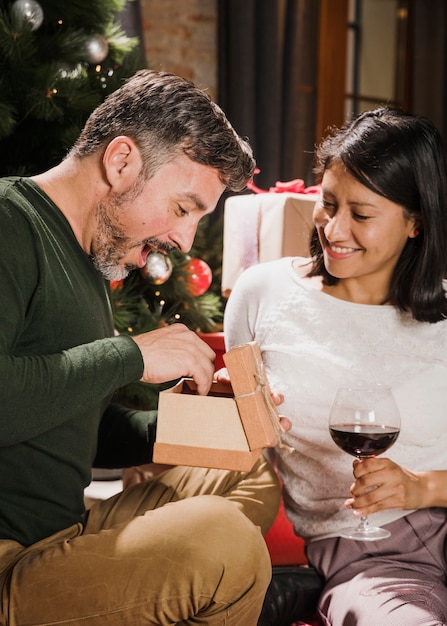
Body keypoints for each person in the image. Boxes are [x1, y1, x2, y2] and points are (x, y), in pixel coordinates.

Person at [0, 69, 282, 625]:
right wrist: (131, 354)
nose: (182, 242)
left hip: (59, 535)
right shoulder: (10, 223)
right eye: (183, 209)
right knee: (227, 544)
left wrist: (192, 425)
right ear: (122, 160)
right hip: (8, 557)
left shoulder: (86, 263)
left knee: (247, 467)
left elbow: (70, 429)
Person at [223, 107, 447, 625]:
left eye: (362, 214)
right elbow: (241, 449)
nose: (335, 229)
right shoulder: (264, 295)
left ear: (416, 222)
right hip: (373, 556)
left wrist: (423, 487)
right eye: (328, 204)